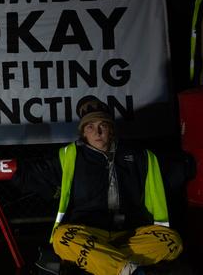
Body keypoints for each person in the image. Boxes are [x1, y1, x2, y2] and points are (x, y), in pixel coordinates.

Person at [12, 95, 183, 275]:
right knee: (62, 238)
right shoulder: (70, 155)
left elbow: (173, 175)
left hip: (129, 234)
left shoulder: (139, 156)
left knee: (172, 241)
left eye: (103, 126)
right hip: (88, 233)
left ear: (111, 130)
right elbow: (33, 175)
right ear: (83, 133)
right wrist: (10, 167)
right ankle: (126, 269)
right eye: (90, 127)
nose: (97, 132)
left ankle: (100, 262)